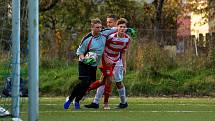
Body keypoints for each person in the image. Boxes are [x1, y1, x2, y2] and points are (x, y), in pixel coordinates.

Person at [63, 18, 116, 110]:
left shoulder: (104, 33)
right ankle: (71, 99)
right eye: (97, 27)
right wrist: (84, 60)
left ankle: (77, 100)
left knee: (88, 84)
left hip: (93, 64)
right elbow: (80, 52)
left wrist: (128, 30)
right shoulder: (87, 39)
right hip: (83, 63)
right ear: (92, 27)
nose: (99, 29)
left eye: (100, 27)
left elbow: (117, 29)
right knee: (85, 81)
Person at [85, 18, 131, 109]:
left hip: (117, 60)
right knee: (105, 79)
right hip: (107, 59)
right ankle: (97, 102)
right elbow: (103, 48)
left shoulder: (127, 39)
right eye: (120, 26)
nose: (122, 28)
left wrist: (124, 66)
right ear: (117, 28)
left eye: (124, 27)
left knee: (118, 82)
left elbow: (124, 52)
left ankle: (123, 102)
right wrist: (105, 58)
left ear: (126, 28)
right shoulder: (111, 37)